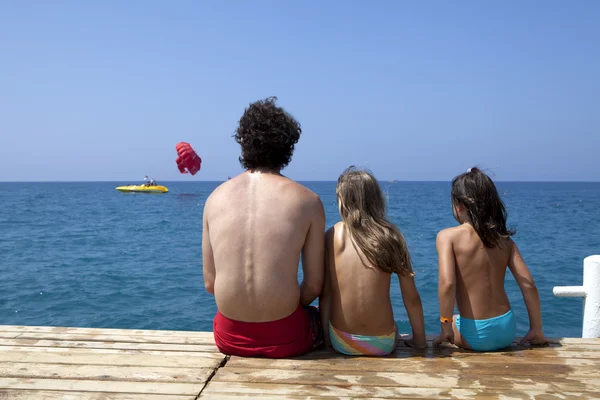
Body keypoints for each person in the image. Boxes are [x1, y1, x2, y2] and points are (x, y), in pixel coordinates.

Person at [202, 97, 325, 358]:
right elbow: (314, 286)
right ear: (288, 146)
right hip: (287, 338)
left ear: (243, 142)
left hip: (228, 337)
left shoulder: (214, 199)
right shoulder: (308, 201)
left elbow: (211, 283)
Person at [434, 167, 549, 351]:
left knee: (454, 320)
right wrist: (536, 329)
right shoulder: (505, 240)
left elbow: (447, 284)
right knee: (459, 319)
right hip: (506, 329)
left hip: (476, 335)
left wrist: (445, 326)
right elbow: (529, 285)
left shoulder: (447, 237)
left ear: (460, 205)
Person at [319, 167, 427, 356]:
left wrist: (328, 339)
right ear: (376, 199)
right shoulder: (390, 236)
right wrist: (419, 341)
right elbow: (411, 298)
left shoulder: (332, 236)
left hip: (342, 341)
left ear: (342, 201)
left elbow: (326, 294)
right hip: (382, 343)